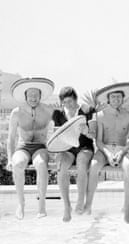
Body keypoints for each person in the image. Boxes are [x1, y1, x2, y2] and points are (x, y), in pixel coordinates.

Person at [86, 82, 129, 223]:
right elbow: (99, 141)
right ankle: (88, 204)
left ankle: (126, 208)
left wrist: (121, 153)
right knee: (94, 165)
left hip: (122, 148)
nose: (116, 100)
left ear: (122, 99)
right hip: (104, 149)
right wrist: (108, 154)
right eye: (113, 97)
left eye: (118, 97)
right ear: (108, 99)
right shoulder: (100, 115)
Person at [6, 77, 55, 219]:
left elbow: (60, 129)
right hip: (23, 147)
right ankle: (21, 204)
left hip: (40, 147)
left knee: (40, 164)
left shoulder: (48, 111)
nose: (33, 98)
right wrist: (9, 159)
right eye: (30, 95)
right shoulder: (16, 112)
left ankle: (41, 206)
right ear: (25, 96)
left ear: (40, 96)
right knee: (17, 163)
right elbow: (11, 138)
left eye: (36, 95)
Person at [51, 86, 96, 222]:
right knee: (61, 167)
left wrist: (86, 131)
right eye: (65, 102)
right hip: (67, 149)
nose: (68, 105)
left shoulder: (87, 111)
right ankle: (67, 206)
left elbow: (94, 135)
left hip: (84, 147)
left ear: (75, 99)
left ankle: (80, 200)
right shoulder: (58, 114)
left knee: (82, 162)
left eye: (70, 101)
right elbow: (55, 135)